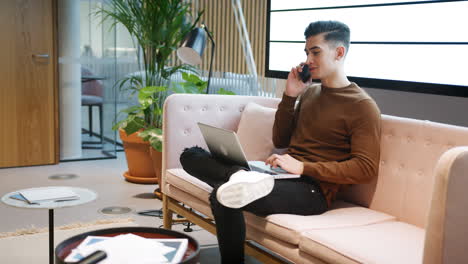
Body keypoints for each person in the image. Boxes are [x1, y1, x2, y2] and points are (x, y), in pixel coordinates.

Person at [179, 20, 381, 264]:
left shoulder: (361, 105)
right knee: (190, 155)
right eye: (306, 52)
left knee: (225, 195)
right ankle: (239, 173)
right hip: (279, 175)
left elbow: (365, 167)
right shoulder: (311, 93)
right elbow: (281, 139)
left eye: (315, 52)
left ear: (339, 52)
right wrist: (290, 95)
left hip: (312, 190)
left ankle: (238, 178)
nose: (308, 60)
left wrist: (304, 167)